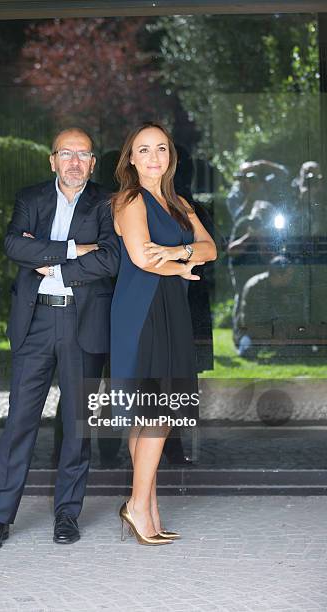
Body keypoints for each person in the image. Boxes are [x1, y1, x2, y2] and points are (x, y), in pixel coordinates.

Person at [0, 127, 120, 550]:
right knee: (19, 422)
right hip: (35, 321)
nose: (75, 162)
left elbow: (111, 257)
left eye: (83, 155)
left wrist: (50, 260)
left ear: (93, 163)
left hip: (83, 321)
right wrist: (77, 249)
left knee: (78, 426)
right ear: (52, 160)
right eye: (66, 153)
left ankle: (67, 515)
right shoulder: (31, 198)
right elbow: (12, 246)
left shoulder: (107, 203)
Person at [110, 122, 217, 545]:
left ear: (170, 156)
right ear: (131, 159)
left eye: (161, 149)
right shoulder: (130, 199)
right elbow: (140, 258)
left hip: (170, 309)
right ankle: (138, 506)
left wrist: (177, 252)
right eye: (144, 149)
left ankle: (147, 508)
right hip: (141, 310)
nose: (154, 157)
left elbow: (210, 248)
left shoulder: (178, 202)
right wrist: (181, 266)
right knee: (156, 410)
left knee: (150, 412)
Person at [233, 255, 304, 358]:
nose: (291, 277)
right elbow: (248, 322)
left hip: (274, 331)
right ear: (277, 274)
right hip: (251, 332)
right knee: (249, 351)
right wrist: (272, 335)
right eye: (288, 275)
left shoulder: (285, 287)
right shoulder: (255, 287)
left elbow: (291, 313)